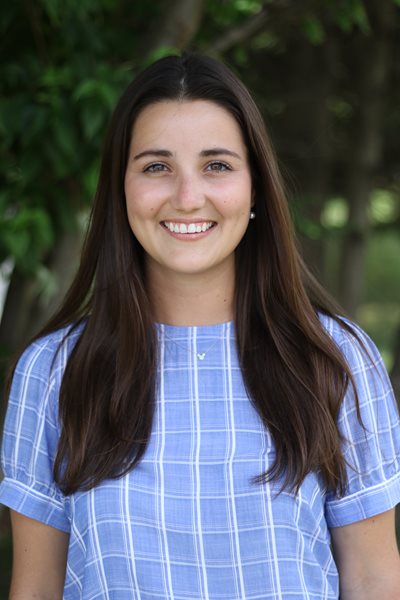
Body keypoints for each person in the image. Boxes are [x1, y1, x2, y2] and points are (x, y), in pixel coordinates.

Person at [1, 53, 399, 600]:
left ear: (255, 187)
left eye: (217, 165)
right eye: (156, 166)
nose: (188, 197)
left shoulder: (334, 359)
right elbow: (35, 589)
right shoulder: (52, 372)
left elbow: (376, 581)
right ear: (120, 189)